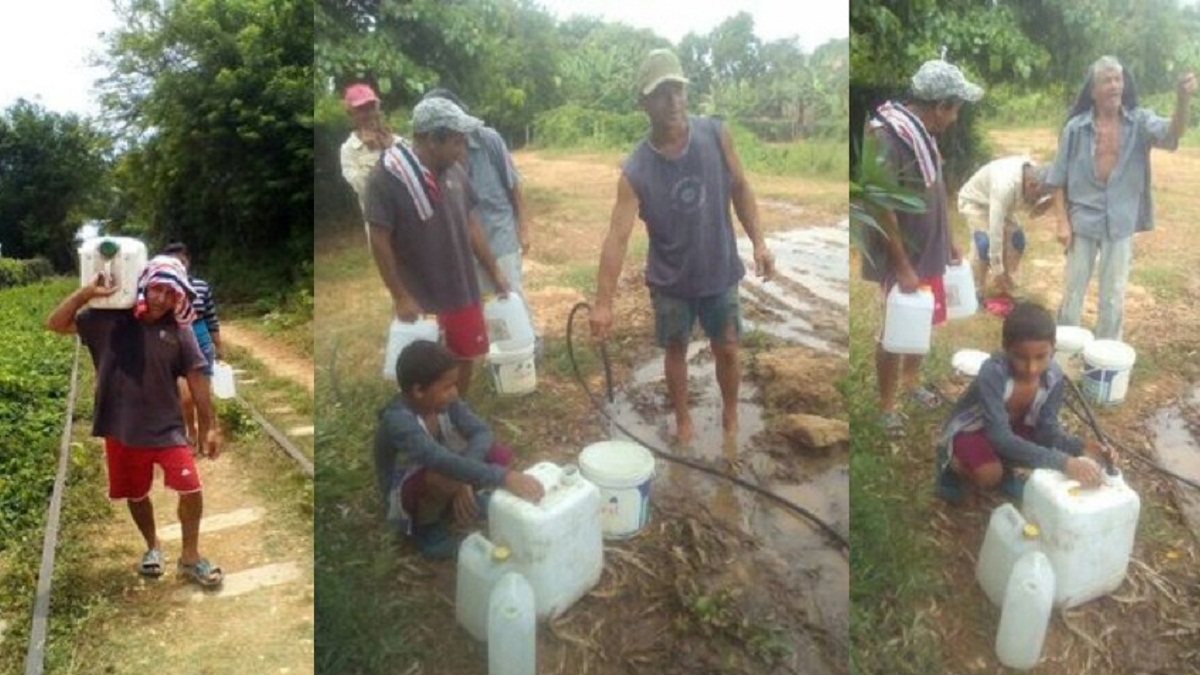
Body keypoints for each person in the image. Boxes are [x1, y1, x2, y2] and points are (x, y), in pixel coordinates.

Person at [589, 49, 776, 445]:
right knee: (675, 350)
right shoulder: (636, 169)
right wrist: (603, 302)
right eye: (662, 93)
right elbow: (616, 238)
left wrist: (759, 242)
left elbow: (741, 187)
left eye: (678, 89)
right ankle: (684, 422)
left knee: (726, 346)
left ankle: (729, 420)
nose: (673, 100)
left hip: (719, 269)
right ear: (644, 102)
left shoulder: (715, 134)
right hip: (670, 279)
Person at [45, 255, 224, 587]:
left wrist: (209, 425)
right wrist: (86, 294)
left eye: (171, 293)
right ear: (144, 285)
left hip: (167, 426)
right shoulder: (106, 320)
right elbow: (55, 323)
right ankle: (152, 546)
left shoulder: (178, 329)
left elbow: (197, 377)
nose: (162, 299)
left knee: (191, 488)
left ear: (179, 297)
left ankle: (190, 557)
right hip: (120, 427)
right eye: (157, 289)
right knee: (136, 493)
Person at [861, 59, 980, 435]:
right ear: (941, 105)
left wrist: (948, 240)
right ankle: (885, 405)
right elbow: (880, 204)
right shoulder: (887, 135)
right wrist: (901, 266)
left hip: (928, 249)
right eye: (955, 109)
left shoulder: (922, 133)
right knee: (895, 328)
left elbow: (933, 189)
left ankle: (911, 383)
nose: (956, 118)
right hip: (903, 256)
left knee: (922, 318)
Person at [364, 97, 510, 395]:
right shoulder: (386, 178)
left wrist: (494, 271)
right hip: (421, 297)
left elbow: (471, 224)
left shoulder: (455, 171)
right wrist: (400, 296)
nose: (462, 149)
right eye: (457, 142)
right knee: (421, 371)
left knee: (464, 357)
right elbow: (379, 240)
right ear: (432, 139)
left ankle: (455, 413)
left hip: (462, 288)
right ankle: (425, 426)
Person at [1047, 56, 1195, 340]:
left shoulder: (1139, 122)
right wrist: (1062, 222)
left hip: (1120, 221)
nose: (1114, 85)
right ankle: (1061, 359)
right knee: (1073, 292)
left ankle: (1103, 365)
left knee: (1113, 297)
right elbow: (1057, 179)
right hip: (1083, 221)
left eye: (1118, 79)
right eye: (1107, 80)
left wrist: (1182, 100)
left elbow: (1172, 134)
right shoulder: (1075, 129)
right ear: (1093, 90)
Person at [374, 340, 545, 558]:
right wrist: (502, 477)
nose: (455, 392)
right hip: (405, 488)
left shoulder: (446, 402)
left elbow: (481, 431)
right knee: (442, 476)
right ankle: (426, 527)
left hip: (444, 465)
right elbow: (438, 460)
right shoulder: (398, 421)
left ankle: (462, 497)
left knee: (497, 453)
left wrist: (465, 480)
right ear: (418, 390)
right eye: (447, 387)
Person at [935, 302, 1116, 504]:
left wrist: (1083, 448)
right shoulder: (993, 373)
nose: (1031, 368)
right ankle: (953, 464)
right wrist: (1064, 463)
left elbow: (1047, 432)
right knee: (989, 476)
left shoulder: (1054, 377)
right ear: (1006, 347)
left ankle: (1004, 467)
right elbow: (1000, 437)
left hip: (1012, 430)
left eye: (1041, 357)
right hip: (975, 429)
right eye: (1021, 357)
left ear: (1053, 348)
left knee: (1042, 452)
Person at [420, 88, 533, 297]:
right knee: (481, 307)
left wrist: (522, 226)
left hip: (500, 237)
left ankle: (527, 331)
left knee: (511, 299)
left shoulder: (489, 140)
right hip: (464, 250)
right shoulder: (432, 158)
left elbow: (513, 185)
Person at [957, 156, 1052, 300]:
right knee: (984, 243)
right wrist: (996, 268)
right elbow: (996, 231)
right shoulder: (1004, 186)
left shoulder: (1035, 172)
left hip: (999, 204)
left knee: (1016, 239)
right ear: (1031, 185)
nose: (1036, 199)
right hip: (975, 202)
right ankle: (975, 289)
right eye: (1037, 196)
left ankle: (1006, 282)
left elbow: (1032, 208)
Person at [162, 242, 222, 448]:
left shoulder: (201, 286)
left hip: (200, 337)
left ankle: (208, 433)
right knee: (185, 396)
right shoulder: (163, 290)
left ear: (188, 261)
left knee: (203, 393)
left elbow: (211, 318)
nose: (179, 264)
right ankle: (191, 431)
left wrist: (218, 345)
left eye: (182, 260)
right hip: (174, 342)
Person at [340, 83, 398, 244]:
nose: (369, 114)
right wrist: (375, 154)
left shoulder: (397, 141)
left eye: (372, 107)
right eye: (362, 109)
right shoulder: (348, 150)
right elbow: (364, 188)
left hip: (411, 221)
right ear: (350, 114)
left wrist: (390, 149)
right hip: (381, 228)